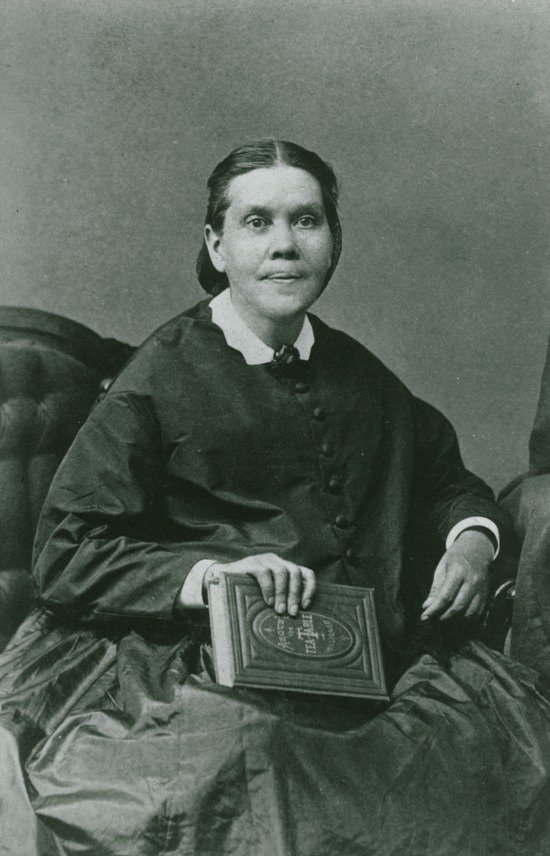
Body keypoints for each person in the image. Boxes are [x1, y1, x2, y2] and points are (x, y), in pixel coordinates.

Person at [1, 139, 549, 856]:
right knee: (254, 764)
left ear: (334, 241)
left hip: (371, 655)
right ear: (216, 244)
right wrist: (212, 578)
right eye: (257, 223)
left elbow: (447, 483)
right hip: (191, 656)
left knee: (475, 759)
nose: (286, 246)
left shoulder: (360, 372)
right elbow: (69, 553)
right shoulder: (158, 377)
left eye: (307, 221)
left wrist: (472, 540)